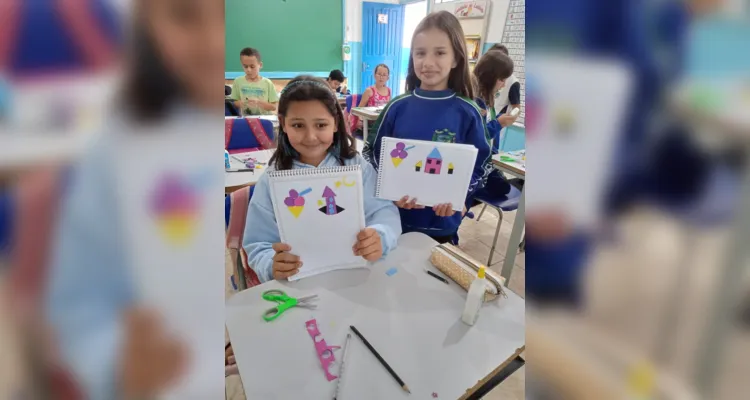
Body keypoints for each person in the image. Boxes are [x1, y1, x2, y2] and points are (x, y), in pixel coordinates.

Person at [45, 0, 225, 398]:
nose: (214, 44)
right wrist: (116, 365)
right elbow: (79, 303)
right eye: (183, 16)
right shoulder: (116, 150)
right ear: (147, 22)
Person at [242, 76, 401, 282]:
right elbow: (257, 244)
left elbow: (384, 212)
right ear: (283, 124)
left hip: (356, 278)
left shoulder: (355, 166)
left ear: (335, 123)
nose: (310, 137)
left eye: (321, 125)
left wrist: (380, 236)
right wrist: (271, 263)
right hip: (300, 285)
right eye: (298, 125)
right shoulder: (272, 179)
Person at [363, 11, 492, 244]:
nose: (428, 62)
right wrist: (387, 192)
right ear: (412, 57)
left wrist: (462, 196)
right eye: (420, 53)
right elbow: (371, 154)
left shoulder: (469, 112)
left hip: (442, 223)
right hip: (395, 220)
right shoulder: (396, 107)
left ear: (455, 59)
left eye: (440, 53)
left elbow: (483, 164)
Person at [487, 44, 521, 154]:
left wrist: (509, 118)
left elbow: (516, 108)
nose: (503, 84)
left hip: (495, 124)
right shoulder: (481, 78)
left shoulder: (512, 82)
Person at [230, 47, 278, 115]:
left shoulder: (267, 83)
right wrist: (242, 103)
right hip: (246, 118)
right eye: (245, 66)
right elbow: (234, 102)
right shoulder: (237, 82)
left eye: (252, 67)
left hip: (264, 118)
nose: (248, 70)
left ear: (260, 65)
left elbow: (273, 107)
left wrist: (258, 103)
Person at [350, 63, 392, 134]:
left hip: (383, 121)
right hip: (370, 123)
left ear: (388, 78)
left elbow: (389, 107)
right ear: (375, 75)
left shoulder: (389, 90)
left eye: (384, 75)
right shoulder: (369, 90)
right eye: (379, 74)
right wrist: (360, 121)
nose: (381, 77)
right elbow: (360, 108)